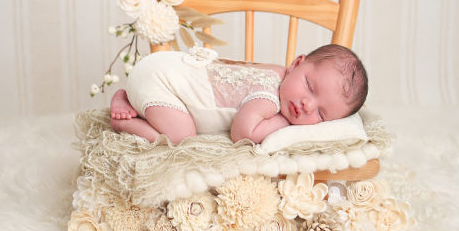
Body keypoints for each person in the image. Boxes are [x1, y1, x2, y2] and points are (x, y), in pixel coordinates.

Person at [109, 44, 368, 145]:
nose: (307, 105)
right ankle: (124, 121)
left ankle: (127, 96)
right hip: (159, 81)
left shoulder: (279, 72)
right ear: (297, 63)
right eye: (310, 87)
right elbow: (242, 133)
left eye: (321, 114)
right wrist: (282, 122)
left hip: (162, 65)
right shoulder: (268, 97)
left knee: (178, 125)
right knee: (180, 136)